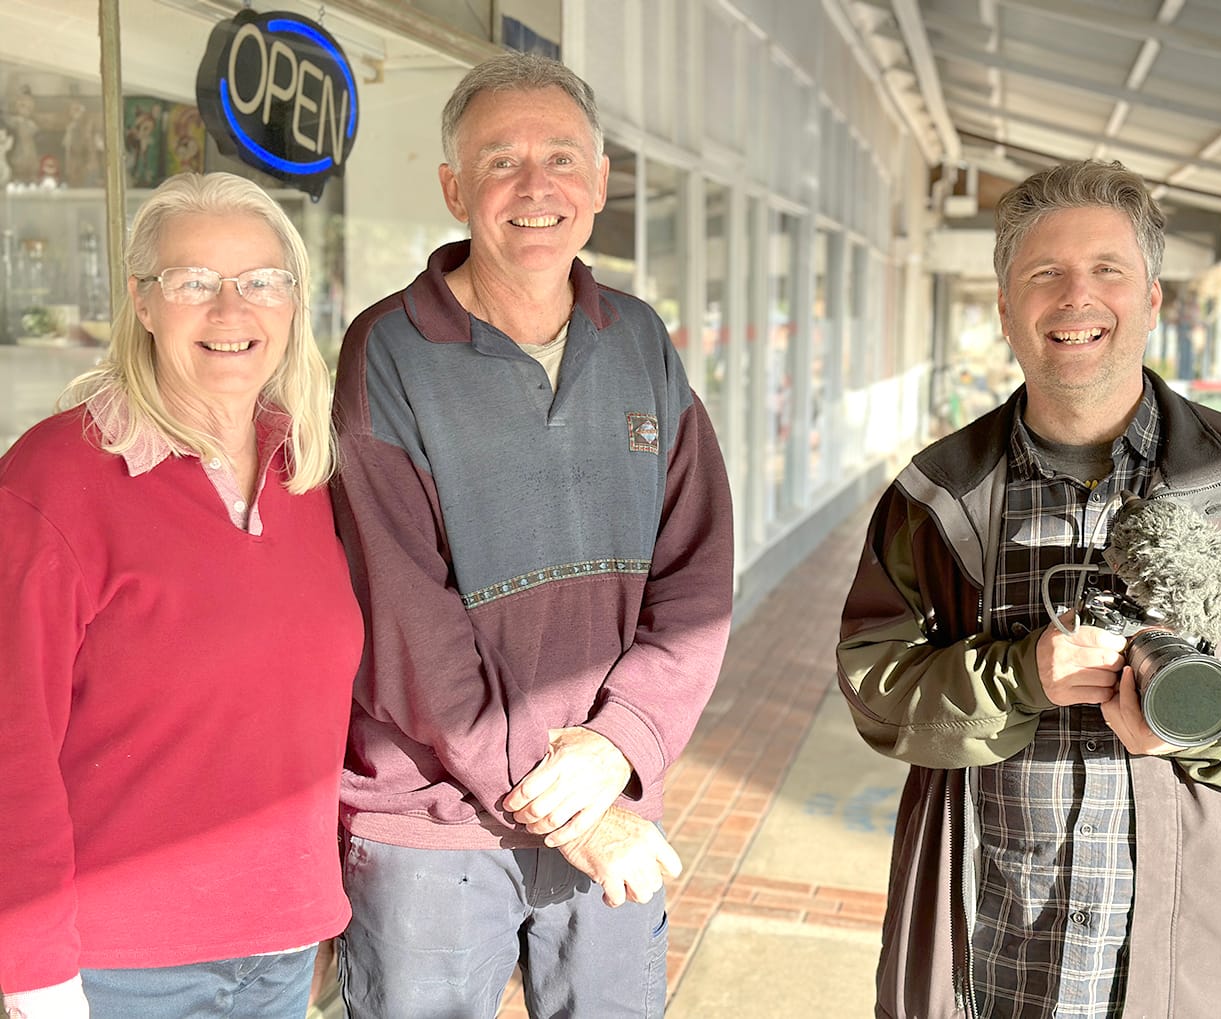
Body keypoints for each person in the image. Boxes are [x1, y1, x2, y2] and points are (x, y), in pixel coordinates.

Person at [836, 159, 1221, 1018]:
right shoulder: (937, 494)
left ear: (1153, 299)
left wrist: (1213, 719)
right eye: (1045, 273)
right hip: (988, 960)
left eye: (1107, 270)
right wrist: (1017, 678)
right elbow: (876, 688)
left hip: (1192, 968)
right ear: (1005, 309)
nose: (1076, 297)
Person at [330, 51, 734, 1018]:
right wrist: (568, 803)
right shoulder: (385, 351)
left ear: (599, 183)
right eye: (500, 160)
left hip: (606, 789)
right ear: (453, 188)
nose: (534, 185)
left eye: (561, 157)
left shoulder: (638, 340)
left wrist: (618, 746)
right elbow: (405, 619)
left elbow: (698, 573)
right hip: (433, 827)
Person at [0, 172, 363, 1019]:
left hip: (278, 946)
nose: (232, 311)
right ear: (143, 302)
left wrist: (312, 904)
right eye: (195, 282)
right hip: (118, 967)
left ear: (294, 300)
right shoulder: (54, 481)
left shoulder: (305, 469)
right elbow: (9, 742)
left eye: (261, 281)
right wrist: (33, 965)